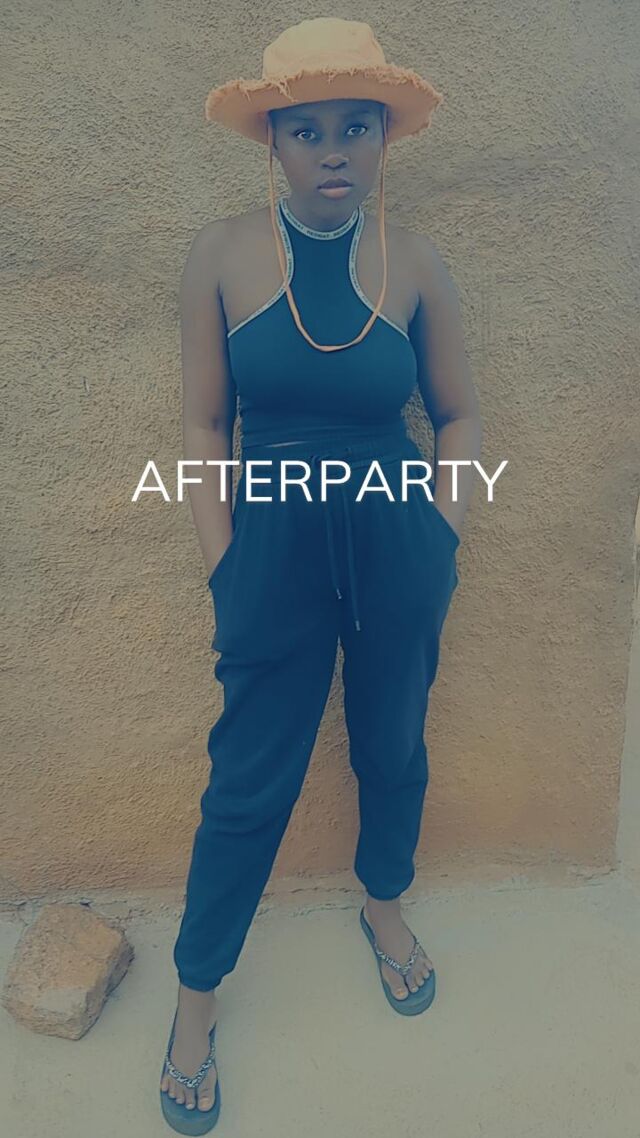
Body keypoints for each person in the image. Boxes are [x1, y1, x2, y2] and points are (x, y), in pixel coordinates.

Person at [159, 16, 482, 1133]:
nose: (334, 151)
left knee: (393, 742)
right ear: (274, 142)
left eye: (357, 128)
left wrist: (441, 532)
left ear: (385, 138)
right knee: (249, 778)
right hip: (273, 554)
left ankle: (382, 908)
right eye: (308, 131)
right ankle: (197, 997)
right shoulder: (220, 255)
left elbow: (457, 414)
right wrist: (224, 564)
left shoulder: (418, 262)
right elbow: (204, 428)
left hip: (398, 547)